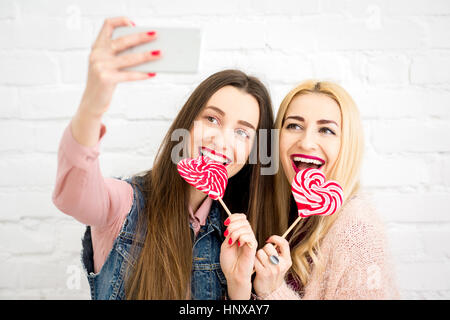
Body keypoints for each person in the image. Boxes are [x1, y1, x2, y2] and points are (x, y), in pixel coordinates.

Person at [52, 16, 281, 300]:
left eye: (242, 133)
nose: (222, 141)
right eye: (211, 118)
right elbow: (72, 196)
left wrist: (239, 289)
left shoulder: (238, 234)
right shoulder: (126, 204)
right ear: (186, 125)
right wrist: (92, 105)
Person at [251, 80, 400, 299]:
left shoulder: (358, 230)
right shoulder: (279, 209)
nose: (307, 142)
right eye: (294, 126)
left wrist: (273, 291)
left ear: (346, 145)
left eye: (326, 130)